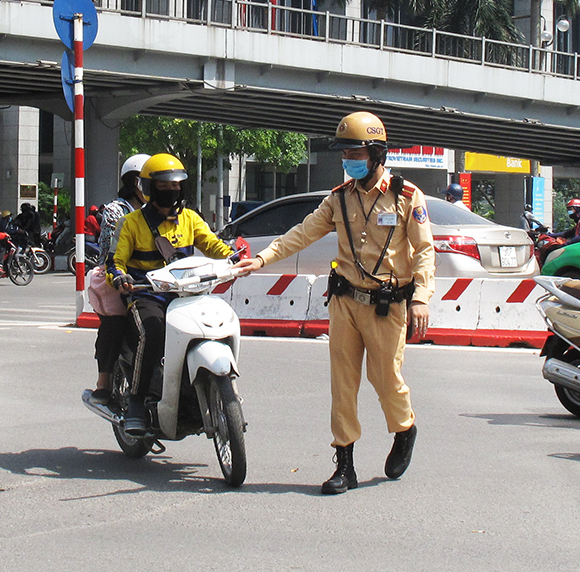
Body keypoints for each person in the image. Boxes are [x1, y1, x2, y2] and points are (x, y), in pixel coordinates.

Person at [234, 111, 435, 495]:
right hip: (344, 302)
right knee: (343, 385)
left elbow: (424, 251)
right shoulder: (339, 199)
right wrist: (261, 259)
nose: (348, 159)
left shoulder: (407, 196)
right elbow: (302, 233)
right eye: (344, 153)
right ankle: (345, 464)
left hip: (386, 305)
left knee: (386, 380)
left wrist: (421, 299)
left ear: (376, 153)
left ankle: (404, 428)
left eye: (355, 152)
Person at [108, 153, 235, 435]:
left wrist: (234, 257)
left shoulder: (190, 219)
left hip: (186, 295)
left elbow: (213, 245)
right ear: (149, 188)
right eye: (163, 186)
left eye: (175, 185)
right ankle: (137, 402)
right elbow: (115, 262)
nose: (170, 190)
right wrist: (120, 278)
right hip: (147, 296)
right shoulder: (131, 223)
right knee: (152, 331)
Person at [88, 153, 150, 405]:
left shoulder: (164, 210)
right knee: (114, 324)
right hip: (122, 277)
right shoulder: (116, 211)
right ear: (136, 183)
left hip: (157, 279)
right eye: (152, 182)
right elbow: (109, 253)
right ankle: (103, 382)